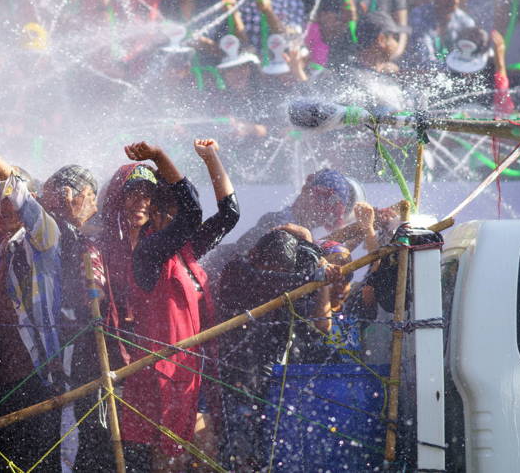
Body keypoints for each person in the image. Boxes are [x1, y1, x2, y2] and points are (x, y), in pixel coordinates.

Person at [0, 111, 102, 471]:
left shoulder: (45, 238)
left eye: (5, 198)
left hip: (50, 385)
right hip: (8, 388)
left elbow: (16, 189)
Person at [121, 139, 238, 472]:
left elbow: (230, 214)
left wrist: (212, 158)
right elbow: (192, 213)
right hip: (160, 372)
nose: (182, 223)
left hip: (186, 369)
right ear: (156, 216)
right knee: (169, 459)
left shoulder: (184, 250)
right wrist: (159, 156)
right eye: (171, 213)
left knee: (204, 453)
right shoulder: (148, 254)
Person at [217, 228, 330, 470]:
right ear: (257, 254)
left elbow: (320, 328)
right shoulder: (238, 269)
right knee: (239, 440)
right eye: (271, 267)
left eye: (282, 270)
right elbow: (268, 281)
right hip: (236, 370)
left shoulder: (291, 280)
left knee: (265, 442)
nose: (276, 274)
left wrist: (318, 271)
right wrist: (314, 277)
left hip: (268, 371)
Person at [201, 168, 359, 279]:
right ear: (305, 189)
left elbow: (321, 248)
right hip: (215, 278)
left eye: (331, 207)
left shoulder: (298, 229)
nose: (323, 208)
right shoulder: (279, 222)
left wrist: (364, 230)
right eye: (321, 198)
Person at [404, 0, 477, 71]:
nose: (455, 0)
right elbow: (424, 62)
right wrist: (459, 67)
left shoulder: (465, 22)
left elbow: (470, 60)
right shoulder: (419, 16)